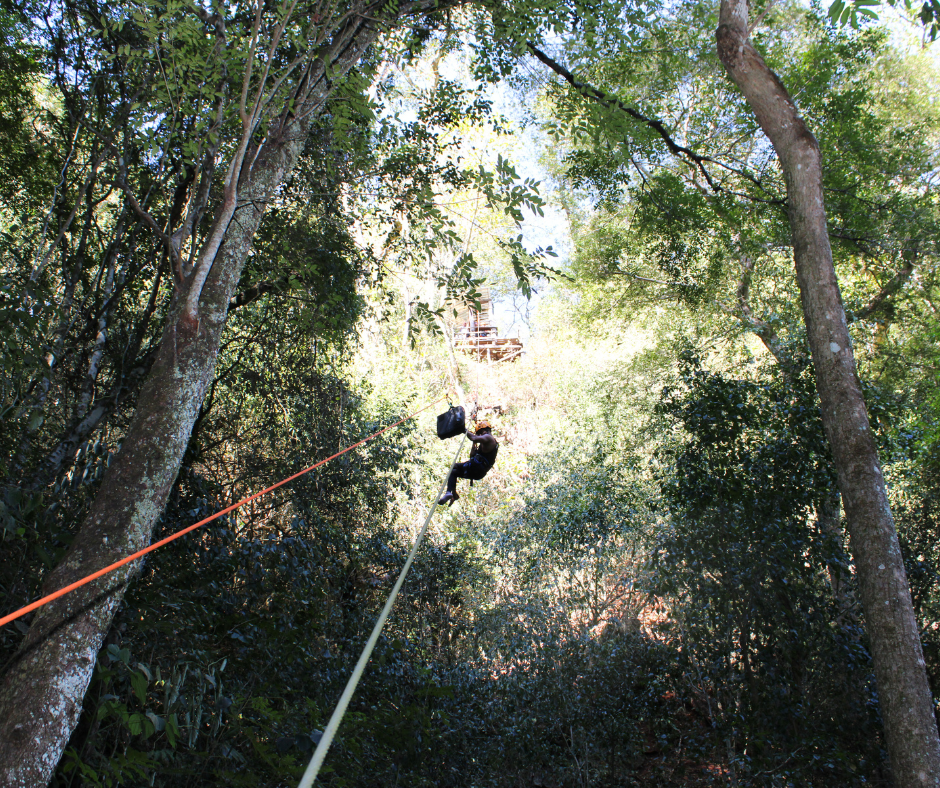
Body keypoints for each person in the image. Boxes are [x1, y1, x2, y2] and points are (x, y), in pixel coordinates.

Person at [438, 421, 498, 506]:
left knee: (454, 467)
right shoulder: (485, 443)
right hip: (477, 470)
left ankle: (450, 492)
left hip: (477, 468)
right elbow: (472, 455)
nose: (480, 436)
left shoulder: (489, 438)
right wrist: (474, 445)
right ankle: (452, 494)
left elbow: (473, 438)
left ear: (484, 430)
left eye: (480, 433)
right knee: (454, 471)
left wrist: (463, 429)